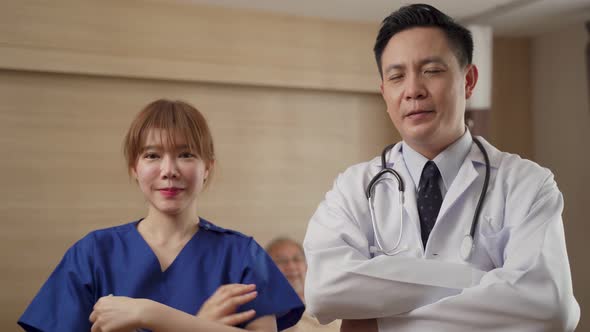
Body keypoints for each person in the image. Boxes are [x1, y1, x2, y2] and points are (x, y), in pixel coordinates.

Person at [303, 4, 579, 332]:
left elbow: (548, 307)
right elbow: (325, 289)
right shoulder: (354, 188)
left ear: (469, 80)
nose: (413, 90)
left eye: (431, 70)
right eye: (396, 76)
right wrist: (478, 279)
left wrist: (379, 324)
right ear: (384, 94)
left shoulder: (527, 183)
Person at [18, 99, 304, 332]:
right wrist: (202, 326)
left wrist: (150, 313)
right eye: (152, 155)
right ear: (134, 167)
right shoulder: (92, 255)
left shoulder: (243, 256)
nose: (169, 170)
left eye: (186, 154)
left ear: (208, 168)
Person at [266, 237, 340, 332]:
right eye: (281, 261)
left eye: (297, 259)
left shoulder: (333, 307)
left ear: (306, 266)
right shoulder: (262, 314)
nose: (291, 266)